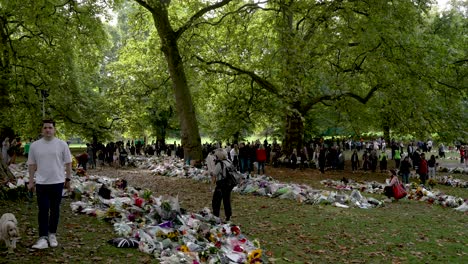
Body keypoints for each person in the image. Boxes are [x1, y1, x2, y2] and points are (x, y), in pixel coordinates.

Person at [27, 120, 72, 249]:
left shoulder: (62, 144)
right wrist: (31, 181)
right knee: (43, 210)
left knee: (55, 210)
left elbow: (68, 163)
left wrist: (68, 180)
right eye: (45, 128)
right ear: (42, 130)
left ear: (54, 129)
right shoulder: (35, 146)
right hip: (41, 183)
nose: (48, 130)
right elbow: (31, 165)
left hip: (57, 182)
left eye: (50, 128)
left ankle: (52, 234)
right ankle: (42, 237)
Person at [211, 150, 234, 222]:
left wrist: (212, 186)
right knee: (226, 200)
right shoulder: (229, 161)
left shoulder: (219, 164)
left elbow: (214, 175)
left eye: (216, 156)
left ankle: (216, 216)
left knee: (216, 201)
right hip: (229, 184)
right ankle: (228, 216)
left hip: (221, 184)